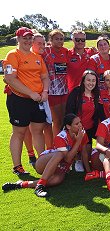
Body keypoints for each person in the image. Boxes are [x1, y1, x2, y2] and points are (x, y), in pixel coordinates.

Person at [2, 114, 89, 197]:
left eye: (80, 122)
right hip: (43, 163)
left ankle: (21, 184)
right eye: (77, 124)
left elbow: (84, 152)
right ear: (68, 126)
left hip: (60, 166)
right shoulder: (62, 137)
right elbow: (67, 159)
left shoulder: (82, 133)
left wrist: (89, 172)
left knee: (57, 180)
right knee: (59, 154)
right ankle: (40, 186)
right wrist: (78, 141)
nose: (80, 125)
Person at [3, 27, 49, 175]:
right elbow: (10, 79)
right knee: (19, 132)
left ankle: (42, 162)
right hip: (19, 99)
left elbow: (44, 77)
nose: (28, 41)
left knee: (38, 131)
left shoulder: (37, 57)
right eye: (24, 38)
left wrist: (45, 91)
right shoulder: (12, 55)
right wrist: (30, 93)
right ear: (18, 39)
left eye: (30, 38)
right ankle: (17, 166)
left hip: (37, 100)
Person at [21, 32, 54, 166]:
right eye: (39, 43)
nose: (42, 46)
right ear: (31, 44)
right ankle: (31, 155)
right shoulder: (22, 55)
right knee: (27, 128)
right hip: (25, 97)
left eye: (44, 43)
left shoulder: (43, 56)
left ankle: (47, 154)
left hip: (43, 96)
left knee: (45, 125)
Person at [66, 70, 105, 171]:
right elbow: (69, 113)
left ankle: (91, 153)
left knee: (88, 156)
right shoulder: (76, 93)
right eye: (88, 80)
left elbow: (101, 113)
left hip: (90, 128)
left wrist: (108, 125)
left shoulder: (96, 94)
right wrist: (75, 128)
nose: (91, 83)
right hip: (77, 129)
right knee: (82, 161)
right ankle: (77, 158)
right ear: (83, 81)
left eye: (93, 80)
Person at [42, 29, 69, 137]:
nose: (59, 41)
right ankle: (57, 146)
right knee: (56, 120)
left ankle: (64, 142)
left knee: (64, 119)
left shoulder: (65, 51)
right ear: (51, 40)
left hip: (64, 90)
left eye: (61, 39)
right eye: (56, 39)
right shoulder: (46, 51)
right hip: (52, 91)